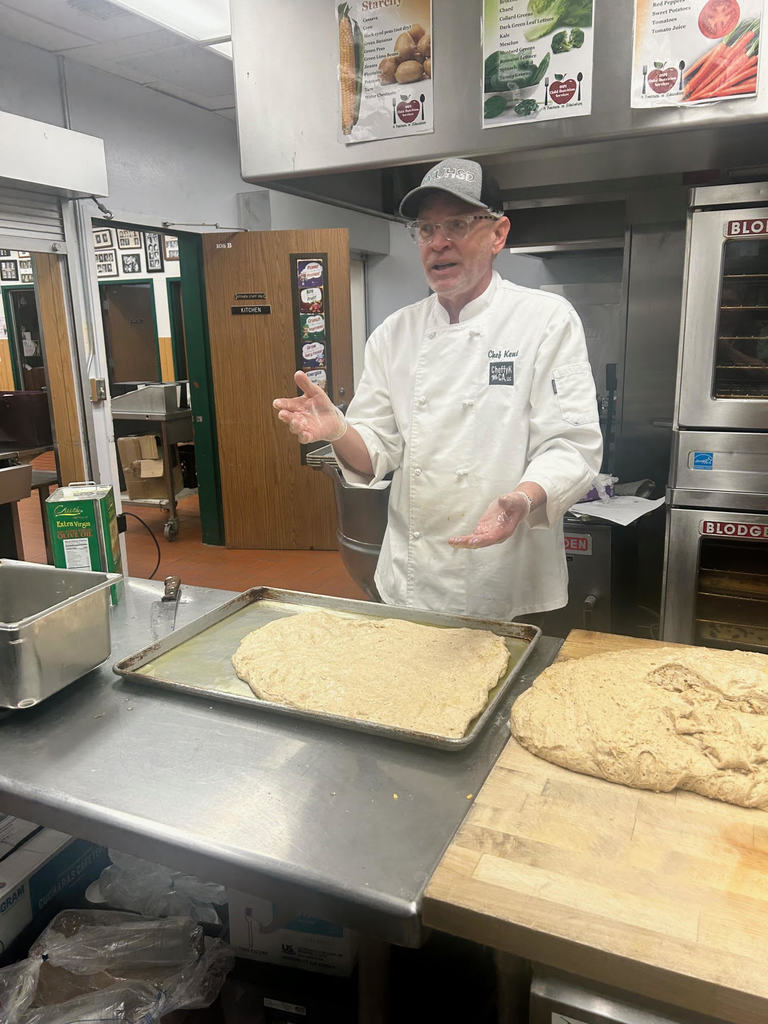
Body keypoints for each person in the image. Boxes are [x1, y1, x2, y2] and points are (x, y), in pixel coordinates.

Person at [273, 157, 603, 620]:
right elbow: (376, 451)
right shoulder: (395, 333)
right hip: (413, 577)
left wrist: (522, 497)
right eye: (426, 230)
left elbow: (573, 445)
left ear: (498, 234)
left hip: (507, 577)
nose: (439, 242)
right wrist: (337, 430)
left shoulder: (545, 320)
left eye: (458, 224)